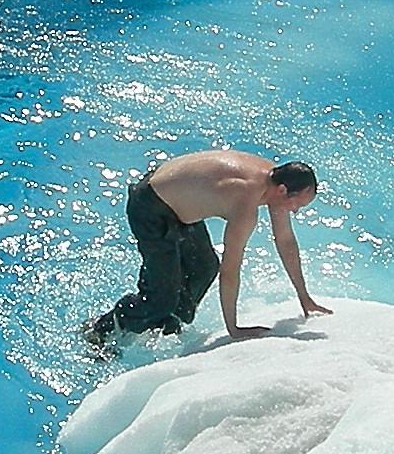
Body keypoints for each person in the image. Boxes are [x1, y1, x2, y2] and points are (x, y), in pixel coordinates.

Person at [85, 150, 332, 349]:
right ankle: (100, 330)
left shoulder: (275, 180)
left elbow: (285, 241)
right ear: (282, 191)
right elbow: (231, 268)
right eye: (296, 204)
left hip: (176, 202)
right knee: (162, 298)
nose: (295, 211)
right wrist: (233, 328)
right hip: (151, 207)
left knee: (205, 268)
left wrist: (304, 296)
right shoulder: (246, 200)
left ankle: (166, 322)